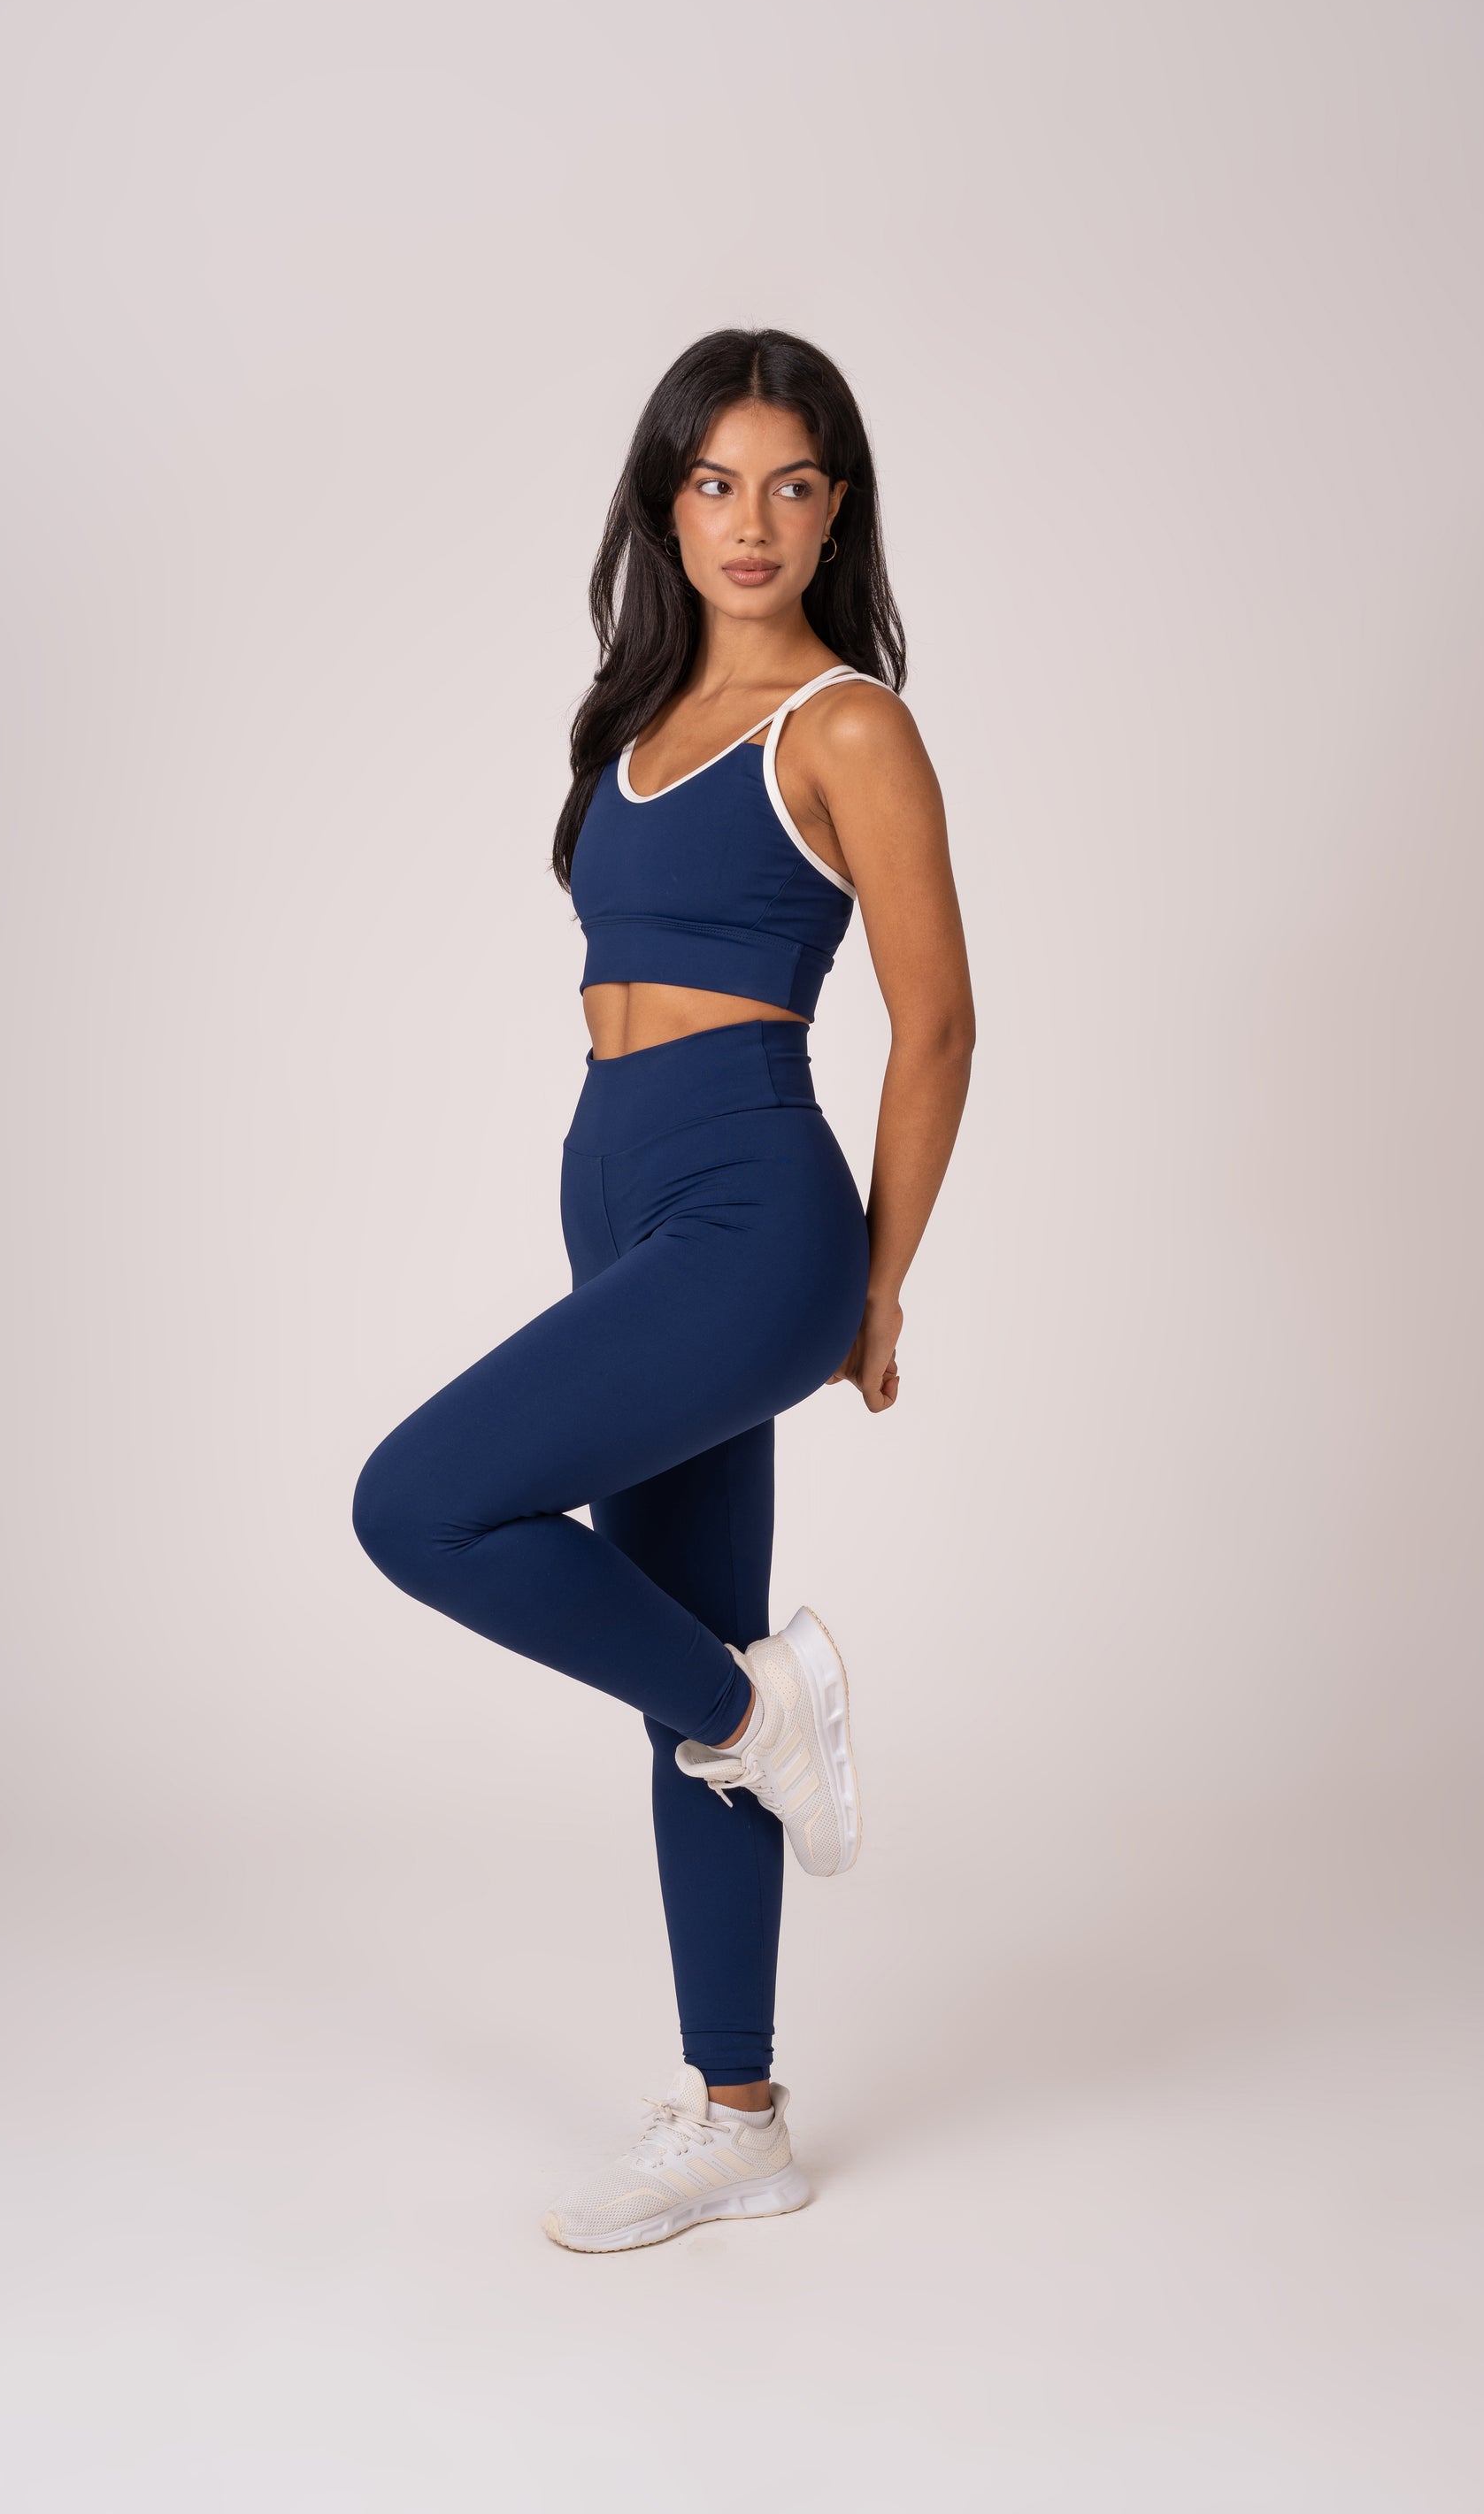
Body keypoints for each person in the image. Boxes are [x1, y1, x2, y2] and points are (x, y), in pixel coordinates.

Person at [352, 327, 974, 2251]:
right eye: (716, 483)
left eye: (792, 484)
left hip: (751, 1213)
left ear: (837, 510)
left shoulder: (846, 726)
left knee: (419, 1504)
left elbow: (939, 1021)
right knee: (681, 1657)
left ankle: (755, 1705)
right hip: (617, 1192)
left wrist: (877, 1286)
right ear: (667, 504)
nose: (752, 521)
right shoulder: (630, 723)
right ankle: (739, 2117)